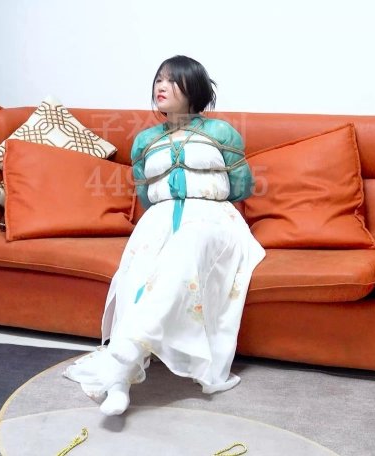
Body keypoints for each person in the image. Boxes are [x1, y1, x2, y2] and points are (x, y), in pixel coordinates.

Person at [63, 55, 266, 416]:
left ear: (193, 87)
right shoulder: (144, 140)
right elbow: (145, 195)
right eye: (158, 79)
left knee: (187, 244)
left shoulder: (222, 133)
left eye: (172, 80)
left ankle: (123, 356)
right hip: (157, 222)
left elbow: (242, 187)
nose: (161, 86)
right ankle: (120, 384)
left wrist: (197, 199)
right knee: (139, 272)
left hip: (212, 219)